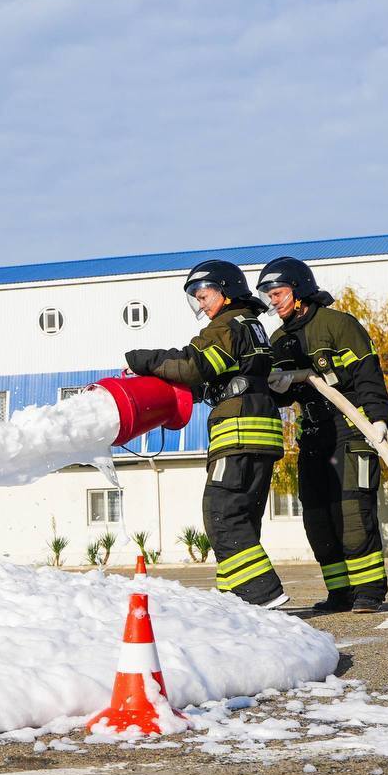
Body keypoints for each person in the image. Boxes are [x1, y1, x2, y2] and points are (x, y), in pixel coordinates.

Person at [126, 260, 288, 608]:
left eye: (204, 295)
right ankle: (235, 600)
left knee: (221, 513)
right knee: (242, 517)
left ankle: (261, 594)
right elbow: (219, 378)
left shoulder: (226, 326)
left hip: (239, 430)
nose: (201, 304)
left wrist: (142, 359)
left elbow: (192, 366)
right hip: (263, 431)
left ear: (225, 290)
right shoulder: (253, 325)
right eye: (196, 298)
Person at [255, 256, 388, 614]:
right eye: (269, 295)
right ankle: (340, 592)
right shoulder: (280, 339)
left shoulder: (339, 325)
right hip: (314, 435)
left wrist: (379, 419)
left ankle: (368, 592)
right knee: (318, 516)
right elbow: (285, 394)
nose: (273, 301)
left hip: (352, 429)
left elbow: (367, 374)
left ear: (299, 291)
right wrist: (277, 385)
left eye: (278, 293)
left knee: (352, 511)